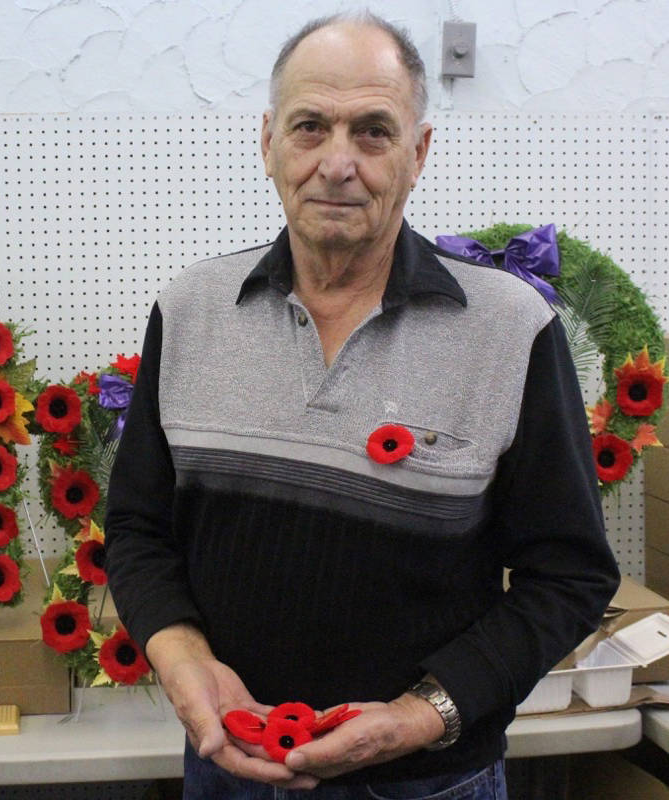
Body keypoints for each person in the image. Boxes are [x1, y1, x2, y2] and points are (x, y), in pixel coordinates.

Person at [105, 11, 620, 798]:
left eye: (372, 132)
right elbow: (139, 531)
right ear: (269, 142)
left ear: (417, 154)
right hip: (229, 768)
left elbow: (569, 577)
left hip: (429, 783)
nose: (336, 163)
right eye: (310, 127)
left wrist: (421, 715)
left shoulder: (509, 329)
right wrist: (183, 664)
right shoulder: (191, 308)